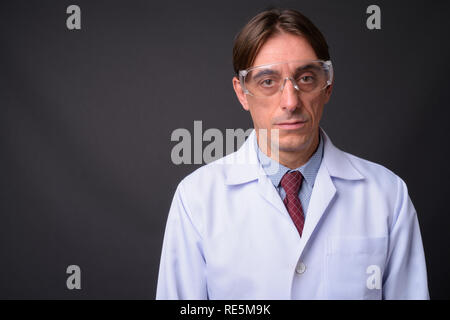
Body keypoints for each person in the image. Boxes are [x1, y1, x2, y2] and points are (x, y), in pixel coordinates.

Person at [156, 8, 429, 299]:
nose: (290, 101)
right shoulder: (196, 198)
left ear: (328, 85)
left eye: (307, 78)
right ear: (241, 92)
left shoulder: (387, 195)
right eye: (268, 81)